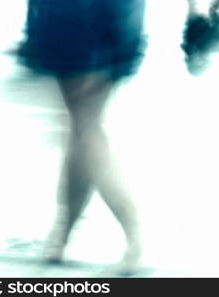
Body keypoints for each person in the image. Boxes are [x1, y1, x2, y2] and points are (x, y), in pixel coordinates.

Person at [16, 0, 147, 274]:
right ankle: (64, 235)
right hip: (99, 15)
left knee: (85, 128)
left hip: (77, 15)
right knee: (83, 128)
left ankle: (132, 240)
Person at [182, 0, 219, 75]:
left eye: (188, 60)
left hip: (202, 25)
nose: (188, 59)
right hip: (216, 24)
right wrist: (215, 12)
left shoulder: (190, 46)